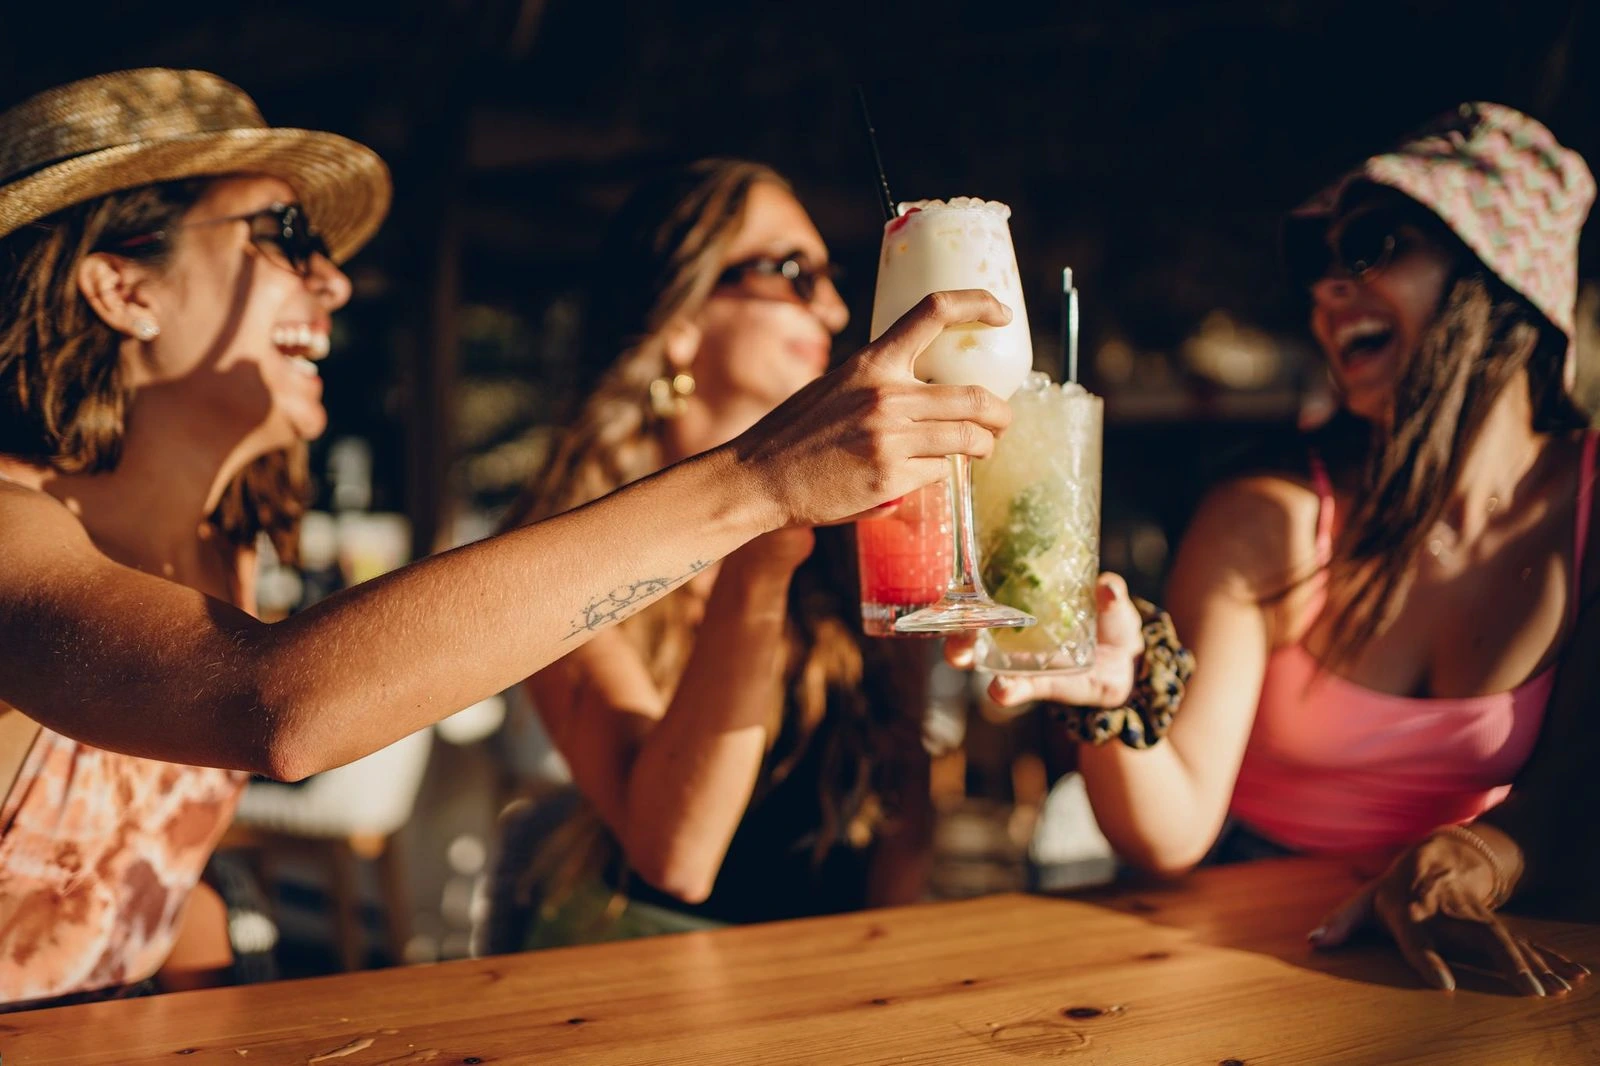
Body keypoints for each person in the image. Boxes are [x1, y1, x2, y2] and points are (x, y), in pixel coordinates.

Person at [0, 70, 1011, 1009]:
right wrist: (757, 483)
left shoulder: (225, 545)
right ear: (123, 288)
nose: (336, 282)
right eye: (286, 235)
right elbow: (278, 709)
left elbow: (147, 880)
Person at [951, 103, 1597, 882]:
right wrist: (1111, 705)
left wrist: (1471, 872)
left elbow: (1571, 800)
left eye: (1370, 246)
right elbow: (1174, 830)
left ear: (1500, 273)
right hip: (1243, 917)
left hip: (1461, 927)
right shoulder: (1272, 518)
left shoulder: (1585, 503)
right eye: (1315, 267)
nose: (1327, 289)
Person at [482, 159, 959, 950]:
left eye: (830, 278)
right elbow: (676, 855)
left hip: (837, 970)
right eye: (792, 273)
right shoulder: (561, 541)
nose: (835, 308)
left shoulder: (856, 520)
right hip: (644, 961)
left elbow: (901, 797)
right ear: (680, 318)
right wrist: (760, 551)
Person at [1310, 582, 1600, 997]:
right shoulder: (1281, 525)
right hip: (1253, 878)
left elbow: (1574, 788)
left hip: (1457, 883)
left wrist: (1475, 857)